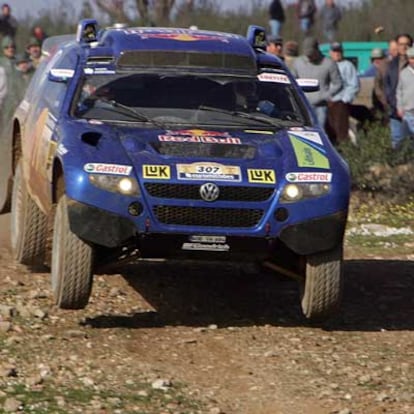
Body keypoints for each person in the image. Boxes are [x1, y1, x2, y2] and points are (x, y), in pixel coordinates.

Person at [291, 37, 342, 130]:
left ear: (317, 50)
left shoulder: (329, 63)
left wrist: (326, 95)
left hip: (320, 106)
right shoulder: (298, 63)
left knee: (319, 131)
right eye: (307, 55)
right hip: (302, 106)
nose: (309, 57)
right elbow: (292, 81)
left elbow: (338, 83)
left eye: (311, 54)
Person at [326, 42, 360, 144]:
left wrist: (344, 100)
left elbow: (354, 85)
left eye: (339, 51)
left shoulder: (348, 66)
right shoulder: (326, 64)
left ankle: (343, 152)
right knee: (327, 131)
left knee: (341, 132)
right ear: (330, 52)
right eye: (334, 51)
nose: (337, 53)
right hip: (325, 103)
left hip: (339, 103)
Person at [384, 33, 413, 149]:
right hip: (394, 108)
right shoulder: (390, 65)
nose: (404, 47)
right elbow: (386, 86)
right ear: (397, 45)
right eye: (401, 44)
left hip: (411, 109)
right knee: (397, 138)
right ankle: (398, 164)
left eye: (407, 44)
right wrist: (394, 104)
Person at [396, 47, 414, 140]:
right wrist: (399, 107)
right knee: (408, 138)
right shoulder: (403, 73)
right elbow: (399, 91)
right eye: (411, 58)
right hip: (408, 112)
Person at [370, 48, 389, 124]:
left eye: (380, 58)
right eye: (374, 59)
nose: (377, 61)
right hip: (378, 103)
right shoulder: (368, 72)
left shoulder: (389, 70)